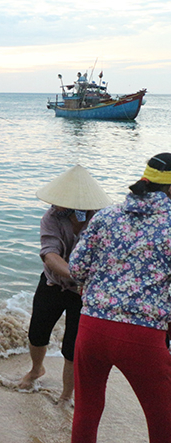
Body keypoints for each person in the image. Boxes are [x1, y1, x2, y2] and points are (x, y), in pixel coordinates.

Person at [68, 153, 171, 443]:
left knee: (87, 411)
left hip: (91, 328)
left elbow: (76, 269)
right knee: (163, 419)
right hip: (142, 337)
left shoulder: (106, 215)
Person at [18, 165, 112, 403]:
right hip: (54, 283)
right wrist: (76, 275)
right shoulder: (51, 217)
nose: (55, 203)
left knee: (73, 345)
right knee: (37, 333)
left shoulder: (101, 219)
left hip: (85, 292)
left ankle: (67, 394)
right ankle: (36, 368)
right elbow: (50, 255)